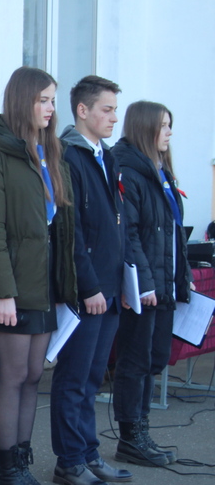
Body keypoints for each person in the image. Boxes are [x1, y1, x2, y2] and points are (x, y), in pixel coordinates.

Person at [0, 66, 76, 484]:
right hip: (10, 285)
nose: (50, 108)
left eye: (52, 100)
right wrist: (3, 295)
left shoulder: (47, 152)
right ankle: (7, 469)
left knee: (33, 375)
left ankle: (24, 461)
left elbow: (57, 226)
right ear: (22, 100)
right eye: (43, 100)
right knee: (11, 376)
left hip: (42, 283)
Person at [51, 76, 133, 485]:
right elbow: (72, 231)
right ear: (82, 110)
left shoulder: (105, 155)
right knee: (74, 378)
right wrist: (89, 286)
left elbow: (117, 223)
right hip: (89, 291)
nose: (114, 117)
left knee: (91, 379)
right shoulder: (68, 155)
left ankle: (88, 454)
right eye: (106, 109)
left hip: (112, 289)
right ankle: (69, 462)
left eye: (116, 109)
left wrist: (127, 284)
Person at [111, 101, 194, 467]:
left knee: (156, 358)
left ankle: (140, 428)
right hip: (143, 287)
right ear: (145, 127)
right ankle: (132, 435)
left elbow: (173, 233)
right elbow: (128, 235)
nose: (169, 132)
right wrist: (143, 284)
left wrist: (182, 278)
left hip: (163, 284)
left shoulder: (159, 171)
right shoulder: (128, 170)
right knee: (136, 361)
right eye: (164, 125)